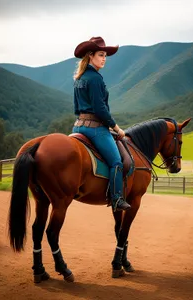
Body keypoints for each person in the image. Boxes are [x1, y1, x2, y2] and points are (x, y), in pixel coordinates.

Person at [72, 36, 131, 212]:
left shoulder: (80, 78)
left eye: (105, 55)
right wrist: (116, 128)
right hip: (96, 129)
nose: (104, 58)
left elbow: (76, 108)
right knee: (117, 162)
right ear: (90, 55)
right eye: (101, 54)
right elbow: (100, 109)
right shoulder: (96, 79)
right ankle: (117, 198)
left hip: (78, 126)